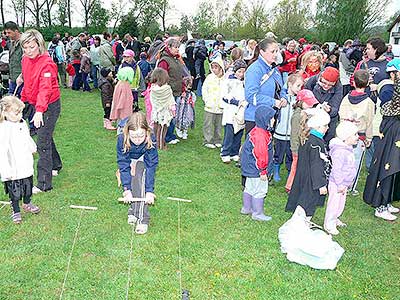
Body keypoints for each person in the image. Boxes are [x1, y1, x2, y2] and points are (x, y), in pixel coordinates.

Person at [17, 29, 62, 193]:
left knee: (42, 140)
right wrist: (23, 99)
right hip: (33, 101)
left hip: (49, 105)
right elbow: (29, 81)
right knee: (45, 134)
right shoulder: (25, 59)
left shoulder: (47, 64)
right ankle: (56, 164)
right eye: (25, 48)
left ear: (40, 45)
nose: (28, 51)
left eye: (32, 47)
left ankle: (44, 183)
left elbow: (45, 89)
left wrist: (39, 111)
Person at [363, 58, 400, 221]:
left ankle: (388, 200)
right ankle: (380, 205)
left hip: (396, 131)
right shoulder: (388, 88)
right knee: (388, 166)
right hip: (390, 132)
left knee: (395, 167)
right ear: (394, 74)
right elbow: (387, 110)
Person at [285, 108, 331, 222]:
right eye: (325, 126)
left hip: (303, 176)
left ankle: (300, 222)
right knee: (307, 205)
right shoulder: (316, 144)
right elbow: (316, 166)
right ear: (318, 126)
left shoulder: (308, 138)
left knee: (303, 202)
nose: (328, 128)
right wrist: (321, 185)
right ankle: (300, 225)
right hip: (312, 181)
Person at [0, 96, 40, 224]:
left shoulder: (22, 122)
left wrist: (32, 147)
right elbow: (2, 149)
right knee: (15, 191)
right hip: (12, 165)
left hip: (25, 162)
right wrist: (6, 168)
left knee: (28, 186)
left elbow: (27, 137)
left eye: (21, 112)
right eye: (16, 112)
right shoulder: (4, 128)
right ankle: (16, 210)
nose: (19, 115)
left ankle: (27, 203)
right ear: (5, 112)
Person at [117, 112, 158, 234]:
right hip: (130, 158)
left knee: (140, 180)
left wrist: (149, 191)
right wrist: (126, 189)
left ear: (146, 132)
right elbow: (123, 163)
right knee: (132, 180)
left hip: (144, 158)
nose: (137, 140)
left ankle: (142, 219)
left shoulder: (151, 138)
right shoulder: (121, 139)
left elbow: (151, 165)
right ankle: (133, 211)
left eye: (141, 136)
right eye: (133, 136)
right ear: (127, 132)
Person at [339, 69, 374, 196]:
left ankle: (340, 182)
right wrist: (369, 138)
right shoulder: (369, 103)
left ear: (353, 82)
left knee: (343, 160)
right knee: (355, 162)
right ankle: (350, 186)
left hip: (344, 134)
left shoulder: (345, 98)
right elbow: (370, 122)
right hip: (359, 136)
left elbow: (341, 115)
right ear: (368, 84)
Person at [240, 105, 276, 221]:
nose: (274, 120)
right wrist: (263, 171)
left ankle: (246, 208)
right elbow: (261, 155)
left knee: (249, 187)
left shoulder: (256, 130)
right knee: (260, 190)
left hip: (250, 168)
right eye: (272, 118)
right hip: (257, 169)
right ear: (265, 119)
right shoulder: (261, 136)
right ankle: (257, 213)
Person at [324, 121, 359, 235]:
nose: (357, 137)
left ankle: (335, 218)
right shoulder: (339, 151)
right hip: (337, 184)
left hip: (344, 183)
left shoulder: (347, 148)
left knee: (340, 203)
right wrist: (339, 184)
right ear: (346, 136)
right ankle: (329, 223)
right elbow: (336, 170)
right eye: (355, 134)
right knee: (334, 203)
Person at [285, 89, 319, 192]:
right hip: (297, 147)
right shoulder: (297, 116)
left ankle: (297, 185)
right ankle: (290, 186)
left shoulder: (306, 113)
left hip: (303, 145)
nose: (310, 105)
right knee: (295, 167)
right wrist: (295, 149)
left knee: (300, 167)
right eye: (308, 103)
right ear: (300, 102)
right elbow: (294, 135)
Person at [272, 73, 303, 182]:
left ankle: (291, 173)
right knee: (278, 153)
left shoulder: (299, 101)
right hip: (280, 132)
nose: (299, 89)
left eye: (301, 86)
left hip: (292, 134)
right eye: (298, 86)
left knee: (290, 155)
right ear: (290, 84)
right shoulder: (282, 97)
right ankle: (276, 170)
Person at [304, 66, 343, 143]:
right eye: (324, 82)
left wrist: (330, 110)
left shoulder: (338, 87)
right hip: (312, 116)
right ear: (321, 77)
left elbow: (335, 107)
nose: (326, 86)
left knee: (326, 142)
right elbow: (304, 98)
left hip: (329, 120)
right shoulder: (313, 81)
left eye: (330, 85)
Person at [157, 38, 184, 145]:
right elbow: (161, 78)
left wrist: (182, 88)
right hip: (168, 92)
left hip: (176, 91)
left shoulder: (176, 59)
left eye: (178, 47)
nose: (177, 49)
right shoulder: (164, 60)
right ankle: (167, 136)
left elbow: (179, 76)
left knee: (173, 114)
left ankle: (170, 134)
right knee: (168, 114)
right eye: (175, 47)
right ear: (169, 47)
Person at [220, 59, 247, 163]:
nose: (241, 74)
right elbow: (224, 96)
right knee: (229, 132)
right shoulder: (228, 82)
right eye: (239, 71)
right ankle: (225, 152)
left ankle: (234, 152)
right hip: (231, 111)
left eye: (243, 71)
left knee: (239, 132)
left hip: (241, 112)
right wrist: (236, 102)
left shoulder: (244, 83)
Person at [150, 68, 176, 150]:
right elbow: (170, 100)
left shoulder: (153, 88)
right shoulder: (167, 88)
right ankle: (161, 145)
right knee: (163, 128)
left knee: (156, 127)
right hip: (164, 112)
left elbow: (152, 100)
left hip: (156, 111)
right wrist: (172, 108)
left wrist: (157, 107)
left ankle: (155, 142)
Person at [202, 56, 225, 149]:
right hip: (210, 105)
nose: (214, 69)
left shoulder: (224, 79)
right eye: (213, 67)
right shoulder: (209, 78)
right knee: (208, 123)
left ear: (221, 68)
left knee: (218, 124)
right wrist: (206, 100)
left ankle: (217, 139)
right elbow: (204, 89)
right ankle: (208, 140)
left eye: (216, 67)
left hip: (220, 106)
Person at [110, 67, 134, 133]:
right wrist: (120, 106)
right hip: (124, 107)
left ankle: (120, 131)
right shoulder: (125, 85)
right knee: (124, 121)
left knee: (120, 120)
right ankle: (122, 134)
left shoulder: (119, 83)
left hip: (119, 106)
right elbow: (123, 98)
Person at [4, 21, 23, 96]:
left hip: (22, 80)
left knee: (22, 104)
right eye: (6, 33)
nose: (7, 35)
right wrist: (10, 77)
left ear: (16, 31)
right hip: (13, 79)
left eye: (9, 32)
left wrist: (22, 77)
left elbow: (29, 63)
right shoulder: (10, 43)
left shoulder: (25, 43)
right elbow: (11, 61)